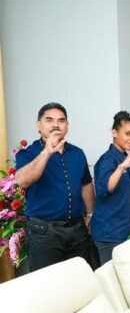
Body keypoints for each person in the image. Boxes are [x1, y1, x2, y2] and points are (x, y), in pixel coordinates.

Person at [15, 103, 96, 271]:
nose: (56, 125)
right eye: (49, 120)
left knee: (80, 280)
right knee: (48, 286)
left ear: (67, 126)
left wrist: (90, 213)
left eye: (61, 120)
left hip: (77, 230)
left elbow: (86, 183)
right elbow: (22, 181)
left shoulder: (77, 153)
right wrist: (46, 152)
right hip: (45, 232)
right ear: (38, 125)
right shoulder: (28, 153)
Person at [91, 111, 130, 265]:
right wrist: (121, 168)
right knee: (112, 282)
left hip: (126, 232)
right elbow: (105, 189)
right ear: (114, 133)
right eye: (128, 134)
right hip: (109, 234)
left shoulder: (125, 158)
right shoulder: (108, 160)